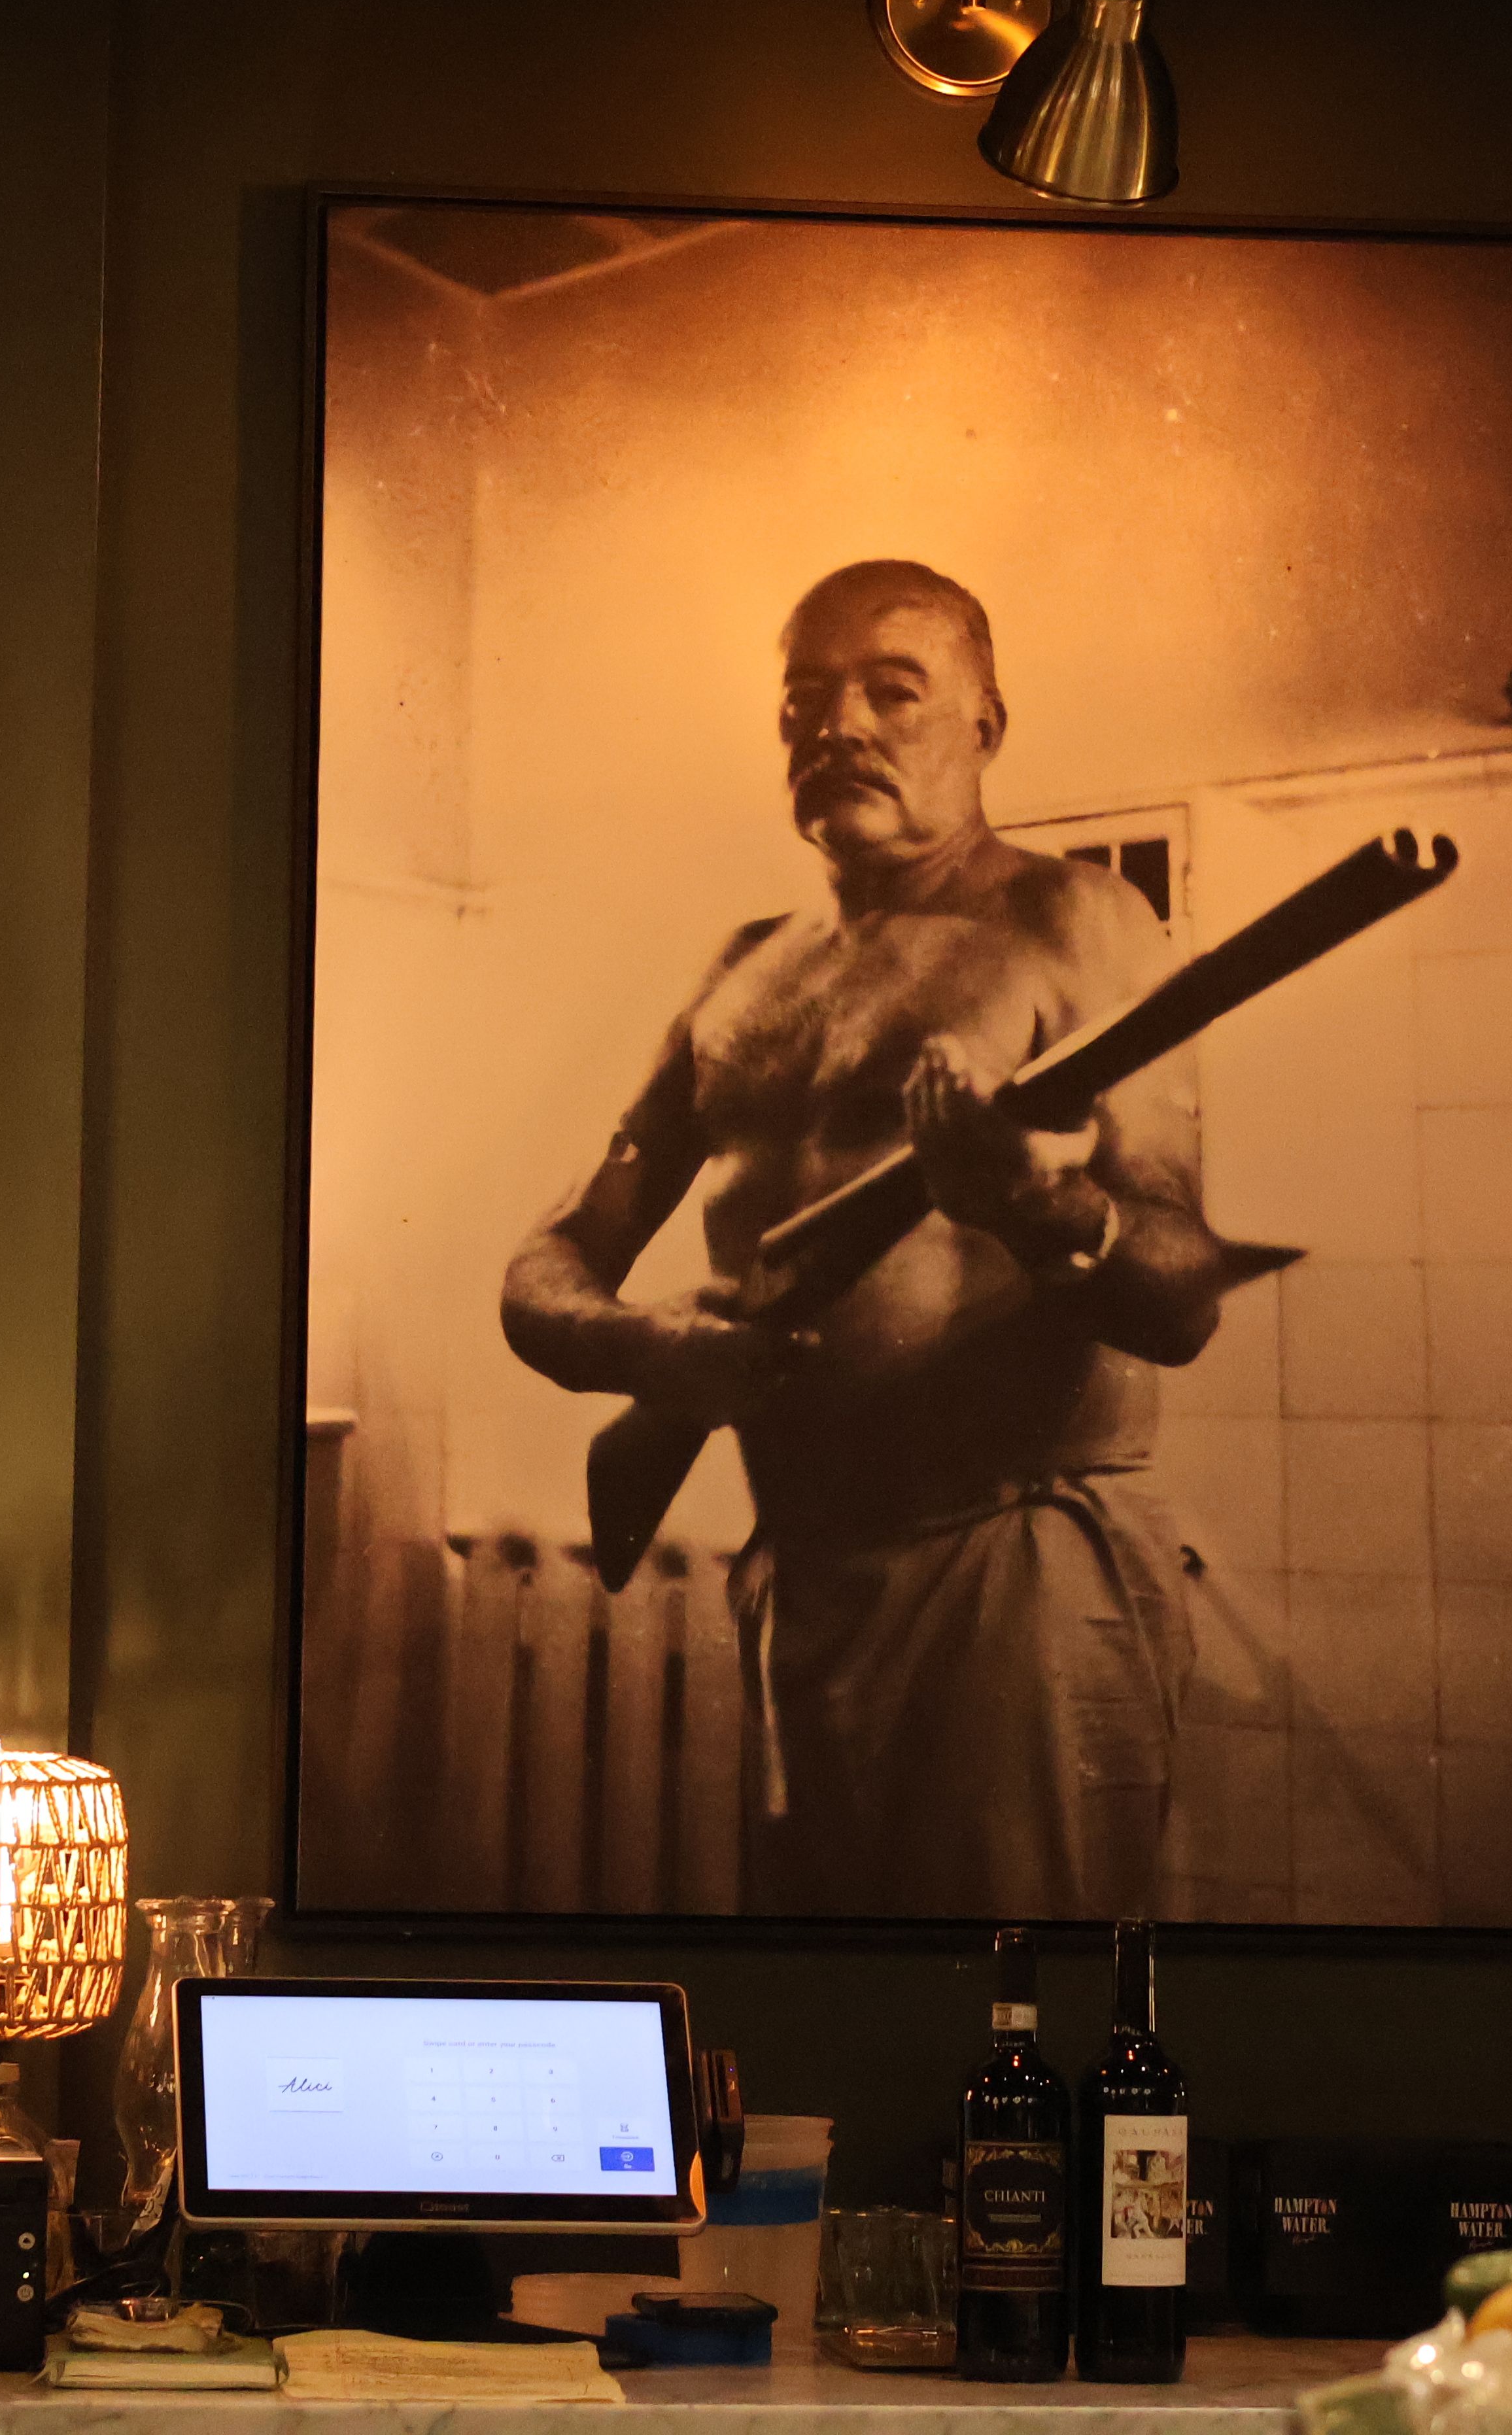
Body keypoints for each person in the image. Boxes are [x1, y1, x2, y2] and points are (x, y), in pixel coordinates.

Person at [502, 559, 1261, 1917]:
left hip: (1008, 1571)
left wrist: (1035, 1202)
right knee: (834, 2022)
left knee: (1018, 2030)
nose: (838, 725)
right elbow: (548, 1265)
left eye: (891, 690)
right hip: (805, 1572)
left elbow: (1182, 1295)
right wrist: (654, 1352)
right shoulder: (742, 966)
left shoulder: (1078, 917)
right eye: (805, 699)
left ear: (986, 724)